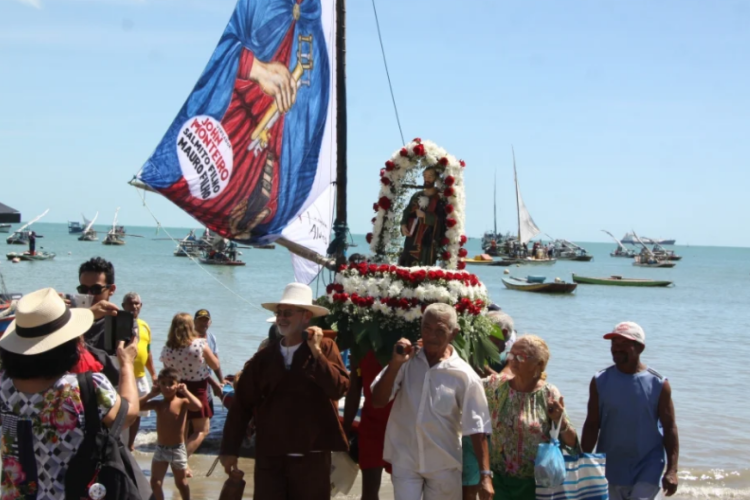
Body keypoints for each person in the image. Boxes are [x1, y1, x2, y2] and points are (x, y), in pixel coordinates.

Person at [142, 0, 331, 241]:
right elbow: (225, 49)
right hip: (228, 132)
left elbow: (310, 124)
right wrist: (254, 67)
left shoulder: (312, 20)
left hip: (269, 153)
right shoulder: (260, 5)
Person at [0, 288, 139, 500]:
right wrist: (127, 364)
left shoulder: (4, 385)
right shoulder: (86, 387)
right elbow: (128, 414)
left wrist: (88, 314)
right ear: (69, 345)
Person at [220, 283, 349, 500]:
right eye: (279, 313)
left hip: (312, 457)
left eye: (288, 313)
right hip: (270, 456)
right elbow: (242, 404)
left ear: (306, 316)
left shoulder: (325, 348)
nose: (281, 318)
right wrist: (229, 449)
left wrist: (316, 353)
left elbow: (338, 388)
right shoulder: (263, 359)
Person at [371, 303, 493, 500]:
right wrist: (394, 364)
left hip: (444, 464)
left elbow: (477, 426)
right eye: (426, 329)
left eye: (440, 331)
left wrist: (486, 476)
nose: (431, 336)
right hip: (406, 459)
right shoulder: (406, 360)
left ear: (454, 333)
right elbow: (378, 401)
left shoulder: (465, 376)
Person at [582, 322, 679, 500]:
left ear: (639, 347)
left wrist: (672, 470)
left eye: (623, 344)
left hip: (648, 467)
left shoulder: (659, 384)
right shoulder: (600, 380)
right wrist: (582, 463)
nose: (616, 348)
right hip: (610, 467)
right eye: (614, 343)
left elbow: (670, 427)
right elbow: (591, 424)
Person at [483, 335, 578, 500]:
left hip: (536, 484)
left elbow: (572, 443)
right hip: (499, 480)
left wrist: (559, 421)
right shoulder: (496, 387)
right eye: (511, 355)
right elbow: (466, 386)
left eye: (521, 357)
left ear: (539, 364)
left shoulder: (549, 393)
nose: (513, 360)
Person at [160, 313, 221, 472]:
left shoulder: (167, 348)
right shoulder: (199, 344)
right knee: (202, 430)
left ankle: (183, 465)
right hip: (197, 388)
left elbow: (166, 370)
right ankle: (181, 460)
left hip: (177, 388)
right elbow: (215, 365)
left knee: (183, 430)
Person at [141, 367, 203, 500]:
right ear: (159, 385)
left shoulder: (182, 402)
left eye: (171, 383)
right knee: (155, 482)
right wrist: (150, 394)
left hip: (177, 449)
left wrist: (186, 392)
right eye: (163, 384)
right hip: (161, 449)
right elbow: (137, 406)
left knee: (180, 482)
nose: (167, 387)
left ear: (177, 385)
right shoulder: (158, 404)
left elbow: (198, 406)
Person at [343, 350, 393, 500]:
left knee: (407, 490)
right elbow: (354, 389)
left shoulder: (408, 346)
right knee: (369, 493)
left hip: (403, 428)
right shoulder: (362, 347)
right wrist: (345, 428)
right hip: (371, 427)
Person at [122, 292, 157, 451]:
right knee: (120, 410)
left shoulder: (144, 326)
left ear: (141, 306)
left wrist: (153, 374)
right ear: (123, 306)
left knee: (138, 412)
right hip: (122, 375)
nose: (134, 306)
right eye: (130, 303)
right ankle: (119, 442)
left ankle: (130, 444)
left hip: (140, 376)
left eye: (136, 303)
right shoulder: (119, 323)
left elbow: (148, 352)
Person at [398, 167, 447, 267]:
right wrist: (403, 225)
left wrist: (425, 216)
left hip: (427, 240)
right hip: (412, 237)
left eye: (430, 176)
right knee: (407, 264)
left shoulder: (439, 198)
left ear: (436, 178)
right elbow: (407, 212)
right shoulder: (417, 195)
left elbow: (442, 220)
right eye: (425, 176)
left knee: (423, 267)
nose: (426, 179)